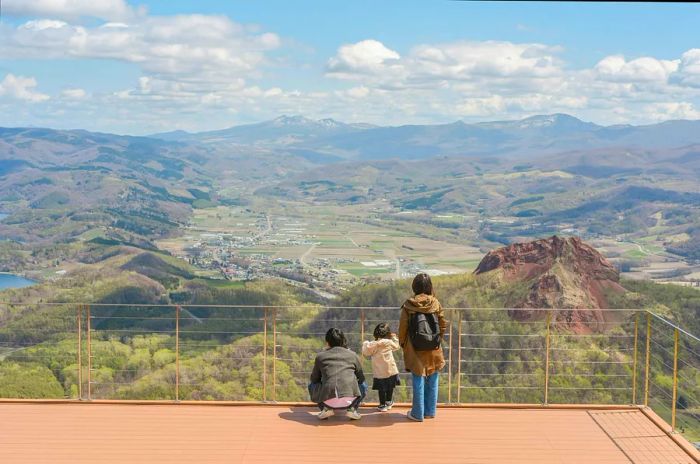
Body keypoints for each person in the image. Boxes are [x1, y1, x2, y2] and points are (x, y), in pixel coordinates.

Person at [399, 273, 447, 422]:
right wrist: (437, 338)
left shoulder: (409, 305)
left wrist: (403, 343)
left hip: (414, 347)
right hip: (433, 346)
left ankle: (417, 413)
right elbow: (443, 323)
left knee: (418, 377)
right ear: (429, 286)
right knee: (433, 377)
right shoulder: (435, 303)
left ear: (415, 286)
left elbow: (403, 328)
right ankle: (430, 411)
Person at [308, 327, 367, 420]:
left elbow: (314, 379)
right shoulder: (353, 354)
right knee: (363, 385)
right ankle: (352, 409)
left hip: (327, 400)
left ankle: (325, 409)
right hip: (350, 399)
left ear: (327, 341)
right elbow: (361, 378)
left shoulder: (320, 356)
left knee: (311, 385)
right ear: (343, 340)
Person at [362, 323, 401, 412]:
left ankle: (382, 405)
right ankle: (389, 402)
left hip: (379, 373)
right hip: (391, 370)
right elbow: (397, 346)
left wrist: (365, 343)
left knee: (381, 389)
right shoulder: (389, 342)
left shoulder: (374, 344)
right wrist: (394, 337)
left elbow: (365, 352)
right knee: (390, 387)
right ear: (388, 334)